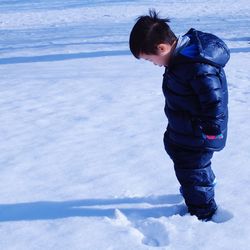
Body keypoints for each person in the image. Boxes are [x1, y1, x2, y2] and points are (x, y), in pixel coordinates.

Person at [129, 9, 230, 221]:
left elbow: (214, 100)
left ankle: (203, 212)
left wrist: (211, 129)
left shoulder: (196, 65)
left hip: (199, 134)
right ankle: (198, 188)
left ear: (162, 47)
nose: (154, 64)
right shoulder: (181, 59)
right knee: (186, 164)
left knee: (193, 172)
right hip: (185, 128)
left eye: (150, 59)